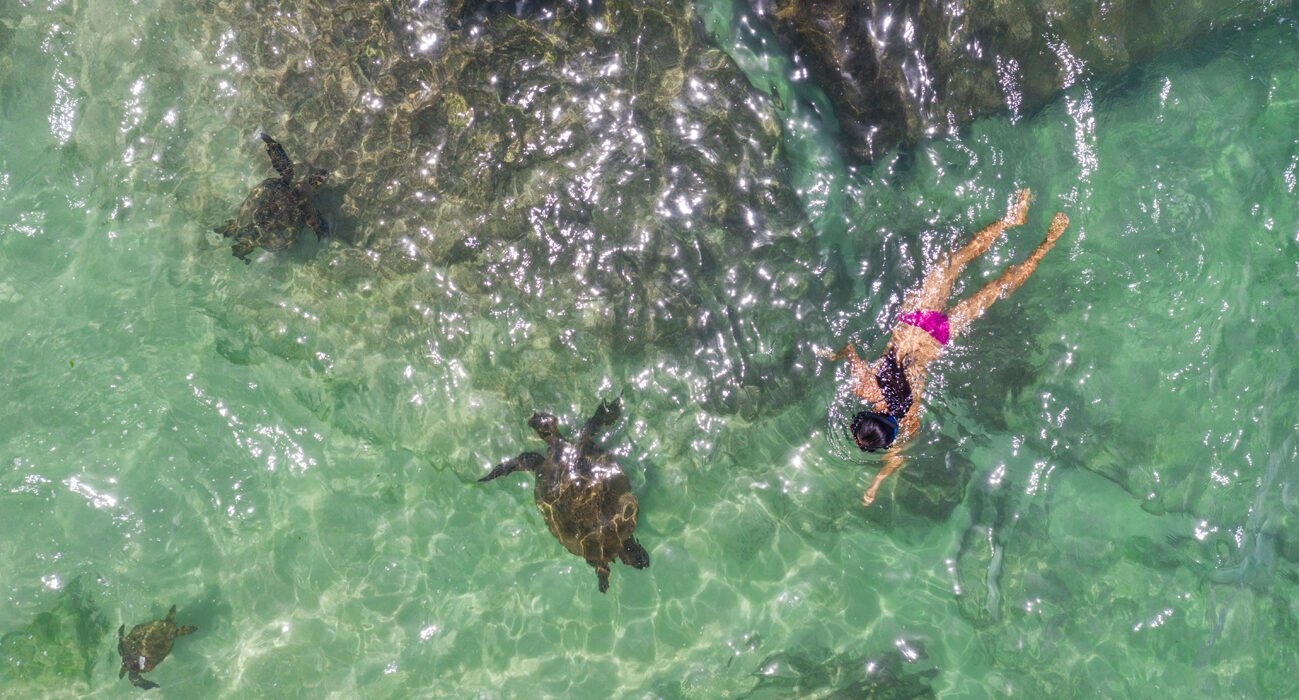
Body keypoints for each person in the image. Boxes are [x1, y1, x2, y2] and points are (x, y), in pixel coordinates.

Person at [819, 189, 1069, 506]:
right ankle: (1010, 220)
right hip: (913, 324)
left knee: (997, 288)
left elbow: (895, 459)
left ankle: (1046, 244)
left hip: (937, 340)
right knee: (954, 261)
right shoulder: (866, 390)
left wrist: (876, 485)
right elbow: (852, 350)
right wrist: (836, 355)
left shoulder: (908, 422)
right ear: (868, 414)